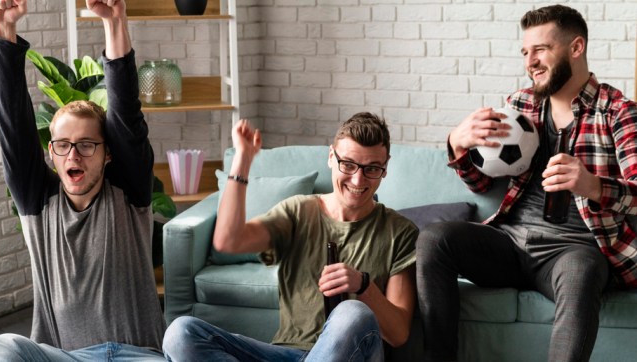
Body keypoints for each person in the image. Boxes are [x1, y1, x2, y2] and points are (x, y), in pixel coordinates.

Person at [416, 4, 637, 362]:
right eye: (524, 52)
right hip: (511, 243)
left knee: (582, 271)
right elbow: (483, 185)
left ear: (576, 48)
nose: (529, 61)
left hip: (572, 252)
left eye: (540, 50)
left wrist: (593, 186)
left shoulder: (618, 113)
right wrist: (458, 144)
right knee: (434, 239)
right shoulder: (520, 105)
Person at [0, 0, 166, 360]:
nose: (73, 155)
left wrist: (115, 22)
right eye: (63, 146)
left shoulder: (127, 193)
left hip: (137, 355)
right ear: (50, 152)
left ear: (108, 153)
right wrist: (4, 32)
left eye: (85, 145)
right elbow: (13, 129)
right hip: (68, 358)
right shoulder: (38, 201)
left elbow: (127, 115)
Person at [162, 113, 419, 362]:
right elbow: (229, 241)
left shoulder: (400, 231)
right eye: (348, 164)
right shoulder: (298, 211)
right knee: (181, 333)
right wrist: (242, 160)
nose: (357, 179)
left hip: (355, 355)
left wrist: (363, 285)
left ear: (384, 169)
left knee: (352, 313)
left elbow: (398, 334)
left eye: (372, 168)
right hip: (285, 352)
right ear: (331, 157)